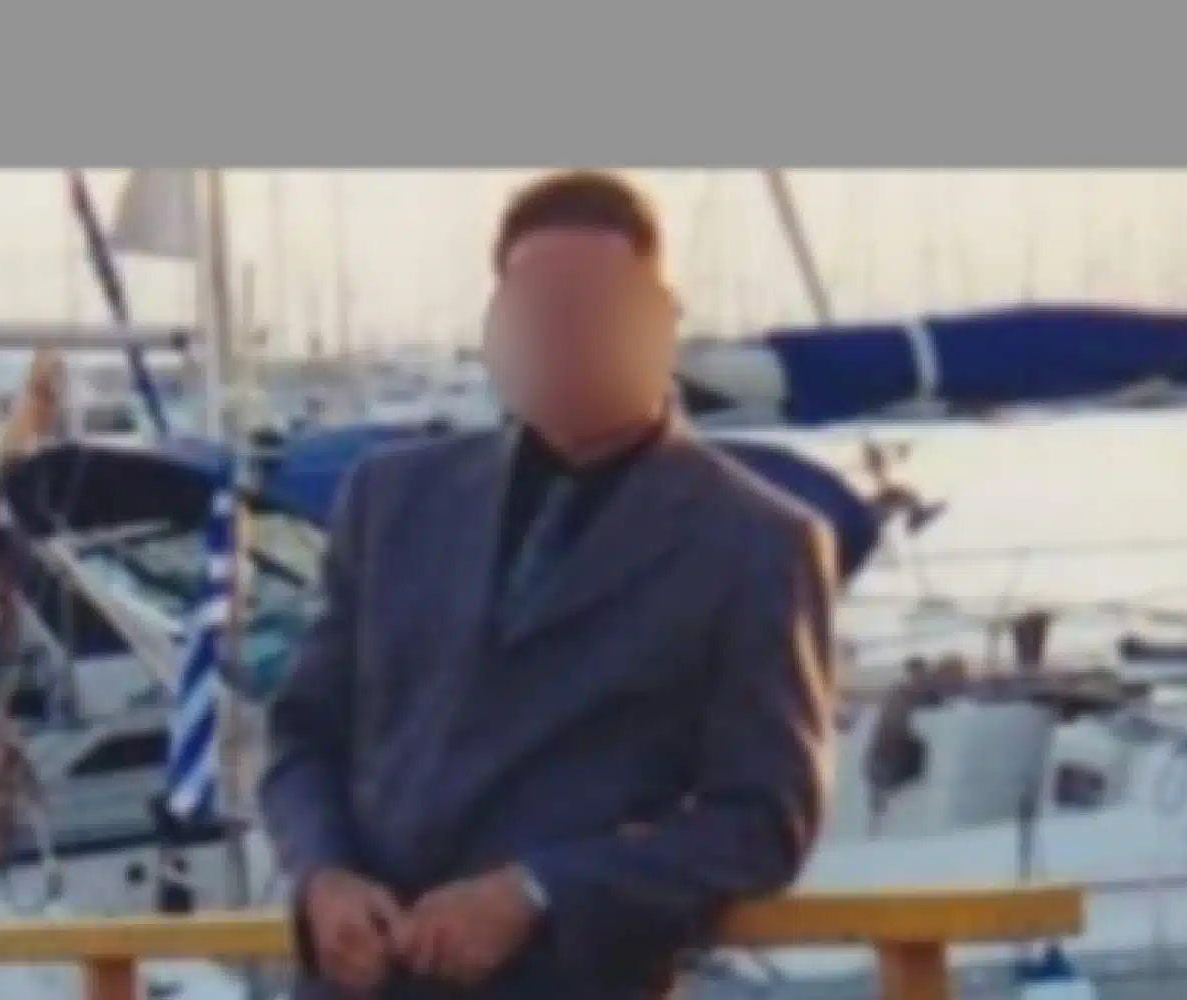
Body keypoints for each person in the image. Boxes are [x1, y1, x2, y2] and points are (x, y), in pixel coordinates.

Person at [259, 170, 839, 1000]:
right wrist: (323, 875)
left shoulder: (755, 543)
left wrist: (541, 891)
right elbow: (304, 733)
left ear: (662, 320)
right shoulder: (390, 500)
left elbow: (762, 823)